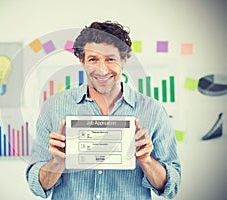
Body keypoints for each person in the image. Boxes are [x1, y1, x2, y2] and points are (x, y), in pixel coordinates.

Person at [26, 21, 181, 199]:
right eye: (93, 59)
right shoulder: (54, 108)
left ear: (124, 60)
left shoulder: (153, 111)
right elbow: (36, 185)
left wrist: (147, 161)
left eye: (110, 59)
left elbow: (172, 186)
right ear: (81, 61)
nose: (102, 69)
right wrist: (57, 163)